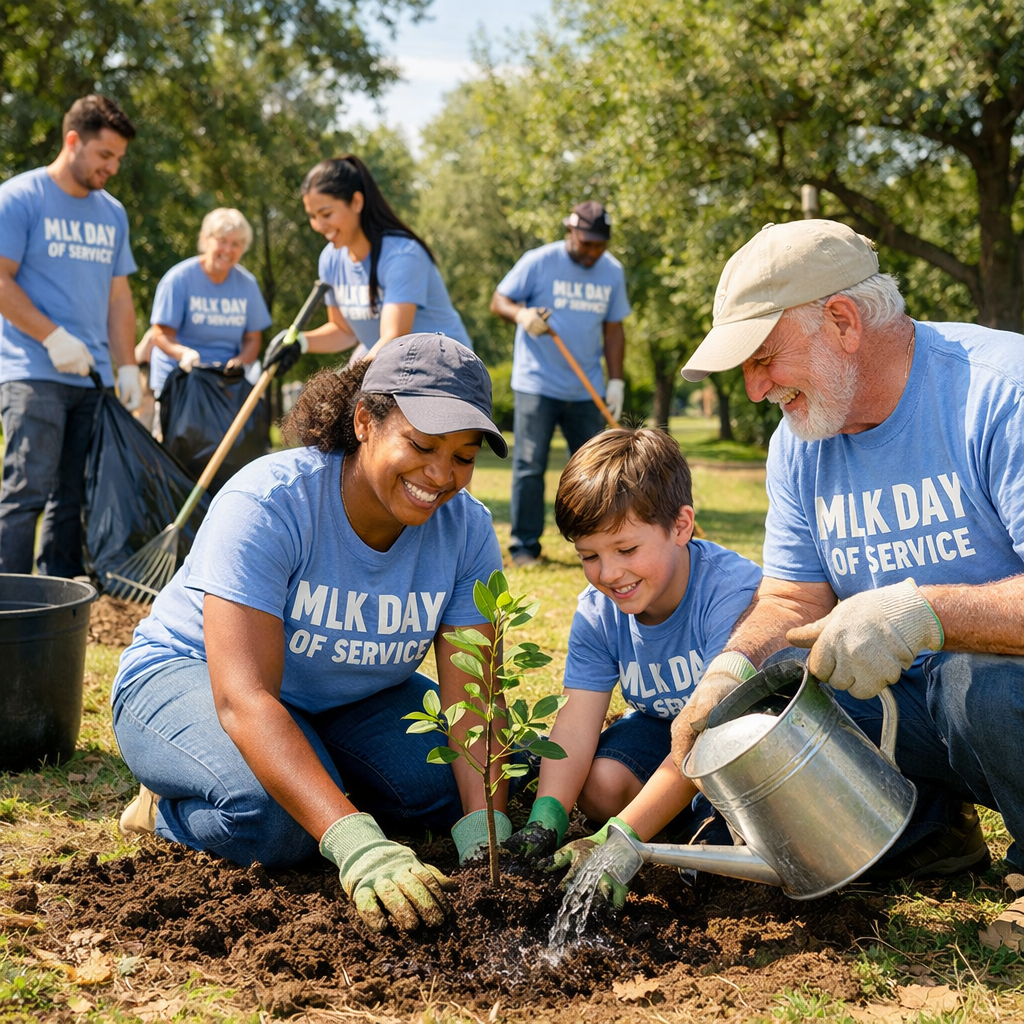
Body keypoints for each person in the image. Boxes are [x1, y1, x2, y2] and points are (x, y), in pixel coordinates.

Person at [669, 219, 1024, 946]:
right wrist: (728, 674)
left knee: (973, 682)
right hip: (924, 710)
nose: (756, 386)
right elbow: (793, 600)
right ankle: (928, 833)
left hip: (997, 695)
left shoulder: (1000, 394)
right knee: (771, 708)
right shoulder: (800, 444)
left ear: (841, 322)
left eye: (764, 358)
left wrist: (923, 612)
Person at [113, 333, 516, 933]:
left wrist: (489, 848)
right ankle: (163, 807)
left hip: (348, 700)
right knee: (271, 824)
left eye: (463, 456)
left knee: (447, 789)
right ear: (364, 421)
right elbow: (244, 699)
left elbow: (472, 701)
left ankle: (310, 770)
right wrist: (353, 837)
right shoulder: (270, 503)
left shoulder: (467, 531)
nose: (440, 475)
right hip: (192, 676)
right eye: (422, 445)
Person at [504, 427, 761, 904]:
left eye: (626, 550)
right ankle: (680, 822)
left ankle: (696, 824)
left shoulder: (729, 595)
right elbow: (578, 721)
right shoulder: (599, 611)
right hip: (663, 731)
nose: (609, 573)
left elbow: (710, 736)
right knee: (599, 787)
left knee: (738, 850)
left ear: (681, 527)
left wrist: (623, 834)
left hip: (738, 742)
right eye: (589, 556)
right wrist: (546, 818)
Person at [0, 94, 141, 578]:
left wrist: (127, 366)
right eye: (105, 155)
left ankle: (56, 602)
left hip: (92, 378)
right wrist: (53, 336)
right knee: (26, 491)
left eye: (119, 159)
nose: (113, 168)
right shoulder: (20, 197)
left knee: (72, 495)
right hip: (32, 371)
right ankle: (11, 601)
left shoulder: (113, 213)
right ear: (73, 140)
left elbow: (119, 298)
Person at [490, 200, 630, 567]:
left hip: (587, 389)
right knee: (530, 465)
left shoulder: (612, 272)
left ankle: (591, 543)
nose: (593, 252)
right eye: (587, 244)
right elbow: (498, 300)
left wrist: (615, 380)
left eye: (600, 245)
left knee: (592, 469)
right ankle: (524, 548)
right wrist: (521, 314)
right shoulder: (539, 261)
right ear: (571, 232)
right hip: (536, 383)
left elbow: (614, 328)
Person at [265, 155, 472, 377]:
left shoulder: (402, 256)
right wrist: (300, 342)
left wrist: (345, 388)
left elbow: (393, 338)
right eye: (312, 216)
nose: (318, 225)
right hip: (397, 370)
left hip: (446, 372)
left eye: (326, 214)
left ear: (356, 202)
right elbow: (344, 331)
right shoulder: (330, 259)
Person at [147, 208, 272, 399]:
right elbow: (161, 334)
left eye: (236, 244)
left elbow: (253, 339)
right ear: (205, 239)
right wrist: (184, 354)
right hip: (179, 381)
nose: (228, 250)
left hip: (224, 383)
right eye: (222, 241)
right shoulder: (178, 279)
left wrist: (240, 361)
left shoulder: (248, 285)